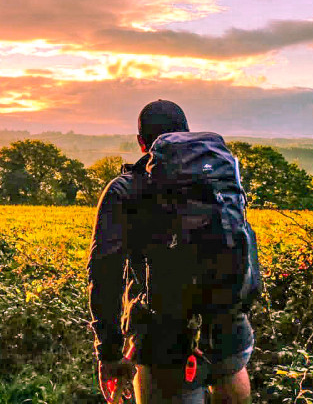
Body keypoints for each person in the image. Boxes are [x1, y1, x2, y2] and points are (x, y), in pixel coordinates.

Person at [87, 100, 257, 404]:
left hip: (163, 339)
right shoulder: (217, 179)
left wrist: (109, 353)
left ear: (142, 143)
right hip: (231, 324)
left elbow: (104, 276)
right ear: (185, 134)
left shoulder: (125, 189)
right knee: (230, 377)